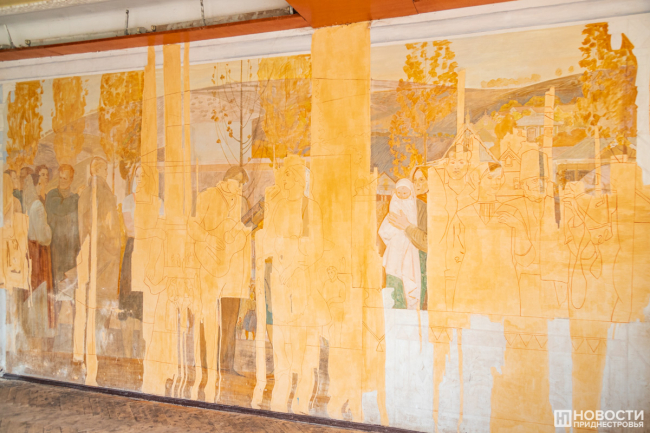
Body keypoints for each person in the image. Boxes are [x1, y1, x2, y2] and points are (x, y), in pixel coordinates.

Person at [189, 167, 251, 402]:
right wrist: (209, 239)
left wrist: (244, 232)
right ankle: (206, 363)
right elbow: (193, 226)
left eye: (242, 185)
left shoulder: (241, 203)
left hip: (233, 268)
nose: (240, 189)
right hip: (209, 265)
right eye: (237, 184)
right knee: (207, 316)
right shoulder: (207, 196)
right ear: (226, 181)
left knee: (229, 319)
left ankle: (226, 364)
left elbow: (241, 232)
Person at [74, 157, 121, 386]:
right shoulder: (101, 193)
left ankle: (83, 356)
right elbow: (109, 227)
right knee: (98, 308)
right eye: (103, 169)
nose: (103, 172)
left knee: (87, 308)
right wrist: (113, 245)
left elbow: (84, 227)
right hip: (102, 257)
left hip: (89, 253)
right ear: (99, 170)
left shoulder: (86, 193)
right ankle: (92, 358)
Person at [387, 166, 429, 309]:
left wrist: (407, 226)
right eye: (414, 181)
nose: (417, 184)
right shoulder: (410, 202)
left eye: (421, 180)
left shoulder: (428, 205)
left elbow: (429, 242)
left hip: (423, 262)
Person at [379, 179, 421, 310]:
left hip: (410, 244)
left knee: (408, 273)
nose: (402, 195)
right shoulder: (394, 205)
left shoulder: (414, 207)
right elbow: (384, 230)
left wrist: (407, 229)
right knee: (394, 272)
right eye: (399, 192)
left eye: (405, 192)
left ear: (410, 192)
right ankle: (395, 305)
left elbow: (414, 225)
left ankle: (408, 306)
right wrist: (395, 234)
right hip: (395, 246)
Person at [24, 175, 55, 329]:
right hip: (39, 252)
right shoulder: (37, 206)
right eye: (41, 184)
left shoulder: (27, 204)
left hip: (30, 250)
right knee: (40, 287)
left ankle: (33, 325)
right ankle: (40, 327)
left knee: (33, 286)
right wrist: (49, 229)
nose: (42, 188)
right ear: (36, 186)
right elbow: (44, 237)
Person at [45, 164, 80, 297]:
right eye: (60, 178)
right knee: (57, 283)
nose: (62, 181)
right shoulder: (52, 195)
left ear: (71, 180)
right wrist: (77, 197)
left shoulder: (74, 197)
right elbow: (61, 208)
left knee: (70, 285)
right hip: (56, 247)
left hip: (71, 247)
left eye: (65, 178)